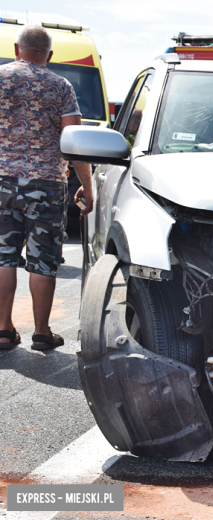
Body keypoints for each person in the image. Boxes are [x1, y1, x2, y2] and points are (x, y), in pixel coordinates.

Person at [0, 25, 93, 350]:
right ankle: (41, 332)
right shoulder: (60, 86)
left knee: (3, 256)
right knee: (43, 261)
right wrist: (87, 186)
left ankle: (3, 329)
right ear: (49, 55)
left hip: (1, 182)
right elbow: (74, 143)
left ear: (16, 49)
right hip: (47, 185)